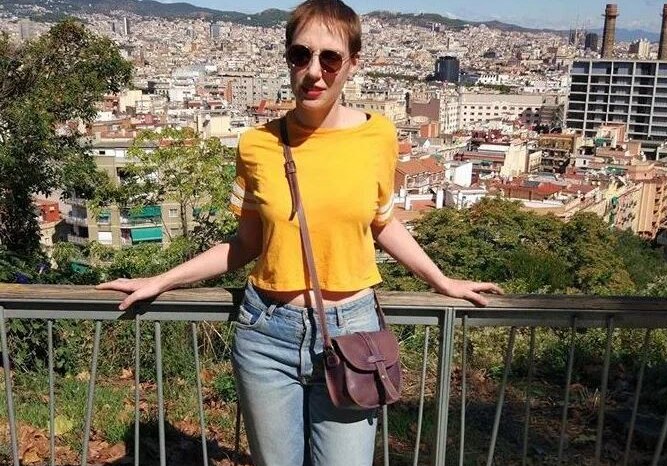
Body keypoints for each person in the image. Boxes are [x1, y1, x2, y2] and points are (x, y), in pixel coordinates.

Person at [97, 1, 503, 464]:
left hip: (352, 332)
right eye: (301, 55)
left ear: (353, 63)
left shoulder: (380, 136)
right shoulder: (256, 144)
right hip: (266, 331)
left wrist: (442, 281)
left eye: (330, 58)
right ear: (288, 59)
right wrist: (161, 280)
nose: (314, 71)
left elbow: (382, 222)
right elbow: (247, 243)